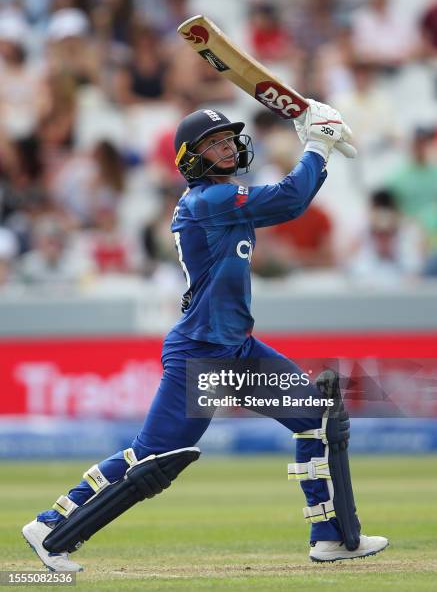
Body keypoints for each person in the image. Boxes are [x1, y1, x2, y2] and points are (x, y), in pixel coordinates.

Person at [22, 101, 388, 571]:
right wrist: (317, 145)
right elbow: (289, 199)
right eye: (214, 143)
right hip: (202, 354)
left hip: (237, 349)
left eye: (229, 139)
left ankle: (334, 537)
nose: (228, 147)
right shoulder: (207, 201)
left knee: (318, 418)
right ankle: (52, 527)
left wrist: (316, 147)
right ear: (189, 158)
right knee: (155, 458)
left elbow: (289, 199)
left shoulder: (224, 199)